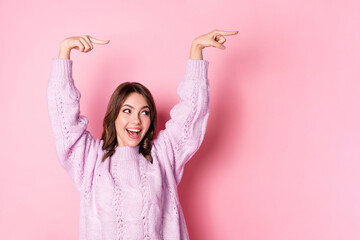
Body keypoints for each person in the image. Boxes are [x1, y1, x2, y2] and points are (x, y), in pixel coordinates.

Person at [47, 29, 238, 240]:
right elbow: (64, 121)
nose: (136, 120)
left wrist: (196, 49)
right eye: (127, 111)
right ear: (114, 116)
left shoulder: (163, 156)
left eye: (144, 112)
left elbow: (191, 115)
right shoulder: (90, 160)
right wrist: (64, 51)